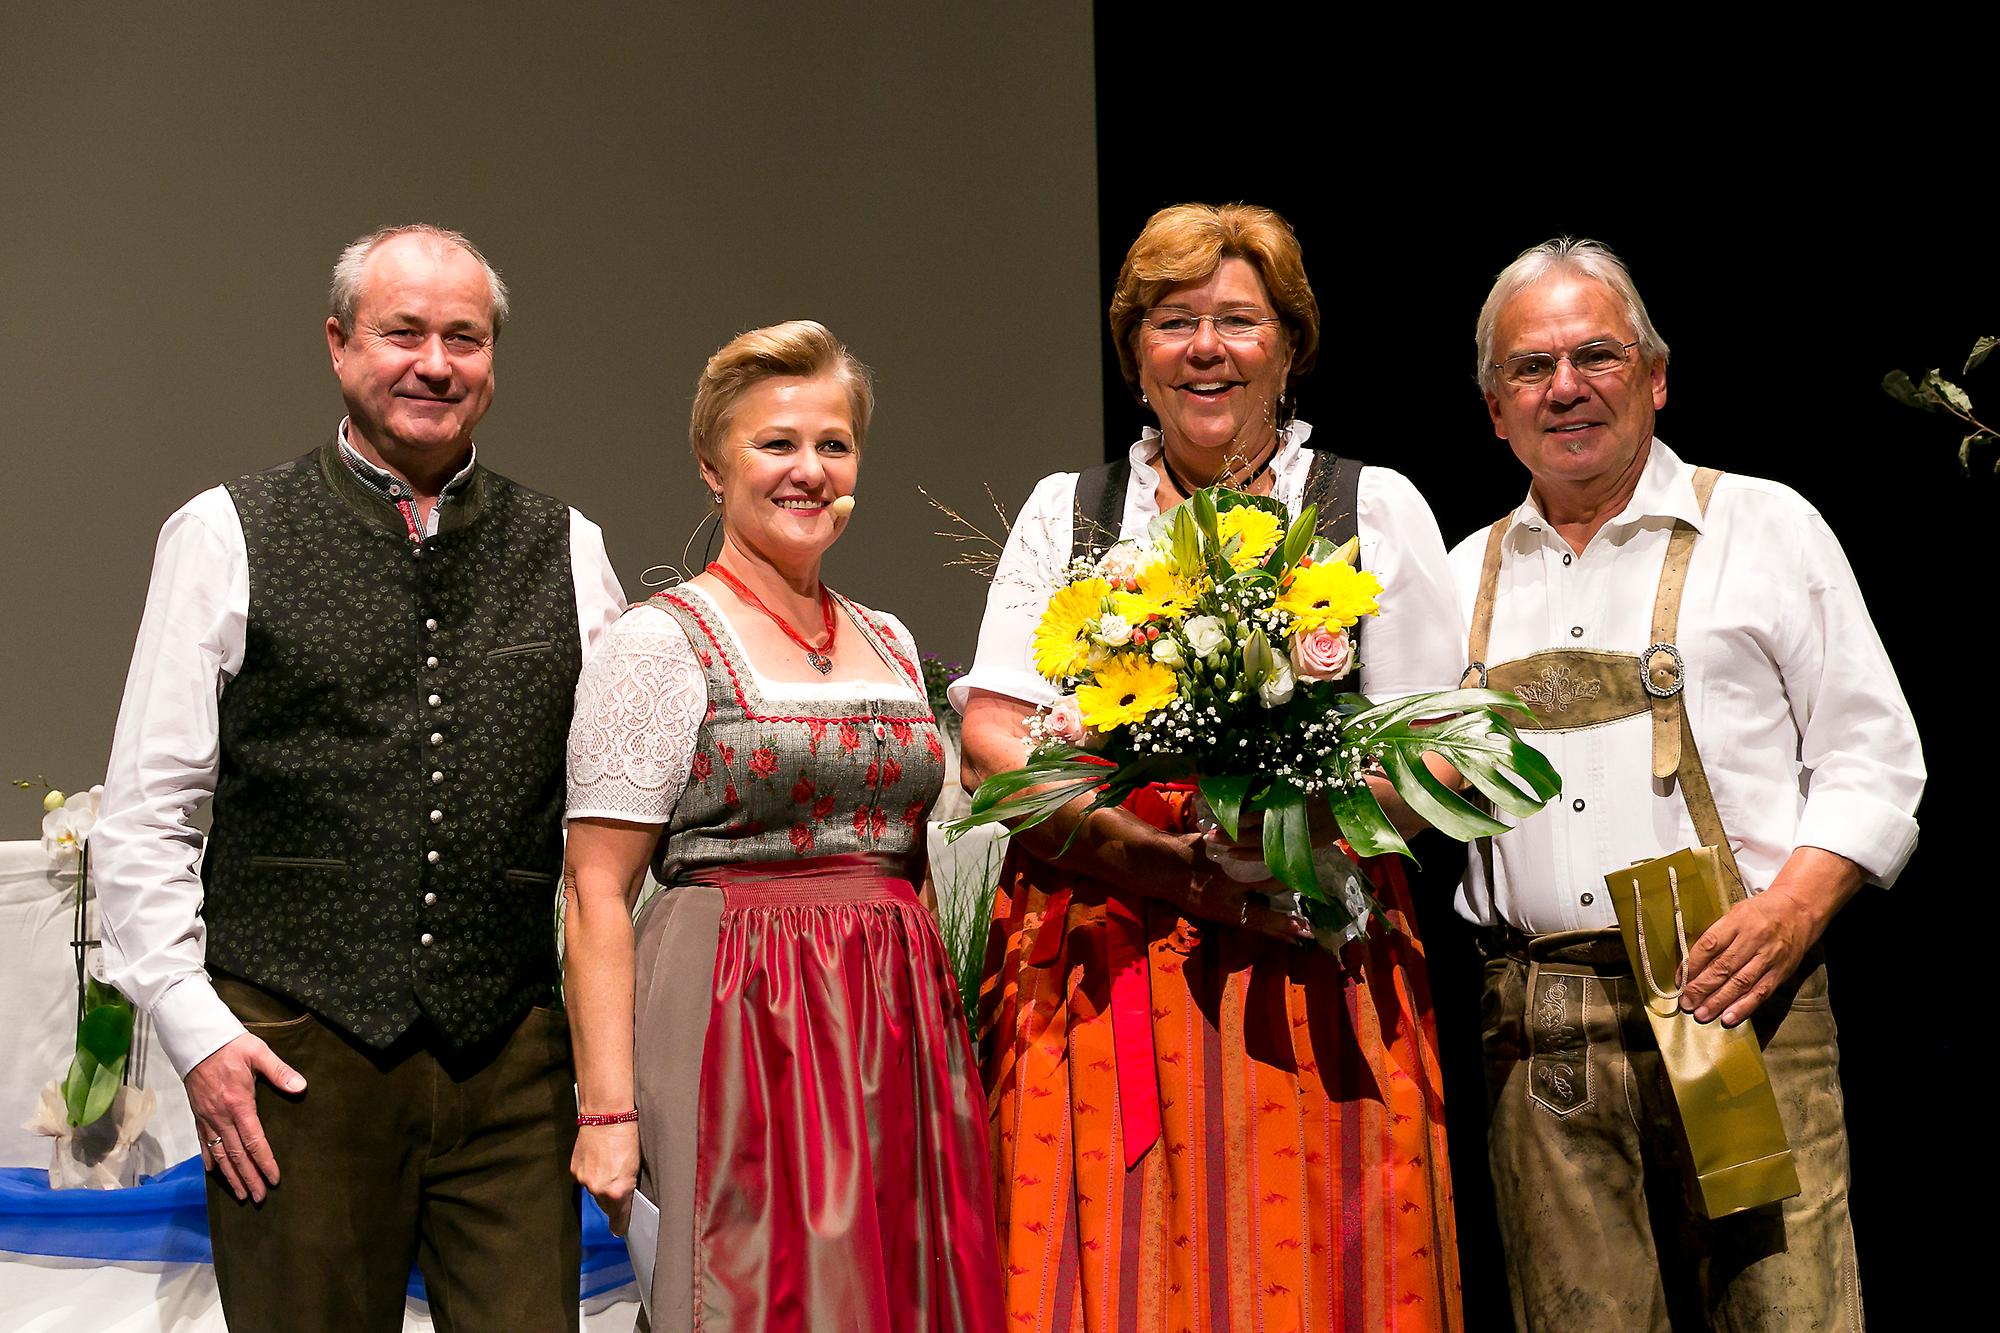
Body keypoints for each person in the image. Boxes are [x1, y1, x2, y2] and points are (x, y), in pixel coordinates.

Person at [89, 224, 626, 1331]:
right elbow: (146, 815)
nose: (435, 363)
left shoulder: (568, 546)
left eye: (464, 338)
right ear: (338, 345)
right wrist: (197, 1031)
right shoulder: (223, 533)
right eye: (403, 333)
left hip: (512, 1063)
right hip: (294, 1060)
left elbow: (613, 815)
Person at [953, 203, 1470, 1331]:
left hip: (1312, 948)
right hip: (1103, 950)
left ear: (1289, 347)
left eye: (1238, 320)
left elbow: (1437, 750)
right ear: (1135, 354)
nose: (1205, 348)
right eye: (1172, 321)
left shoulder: (1370, 506)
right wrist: (1150, 855)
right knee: (1110, 1263)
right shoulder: (1068, 510)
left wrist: (1292, 832)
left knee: (1313, 1262)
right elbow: (993, 729)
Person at [1452, 237, 1924, 1330]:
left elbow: (1872, 754)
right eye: (1531, 367)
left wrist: (1792, 910)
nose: (1564, 386)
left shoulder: (1764, 525)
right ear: (1494, 409)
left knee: (1785, 1315)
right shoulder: (1458, 574)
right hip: (1541, 1028)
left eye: (1596, 355)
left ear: (1655, 376)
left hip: (1733, 1003)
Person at [561, 320, 1003, 1330]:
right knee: (755, 1292)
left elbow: (906, 858)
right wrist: (607, 1110)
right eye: (776, 444)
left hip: (893, 1022)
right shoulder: (660, 643)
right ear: (712, 465)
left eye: (833, 444)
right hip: (738, 1013)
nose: (809, 470)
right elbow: (595, 889)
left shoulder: (888, 638)